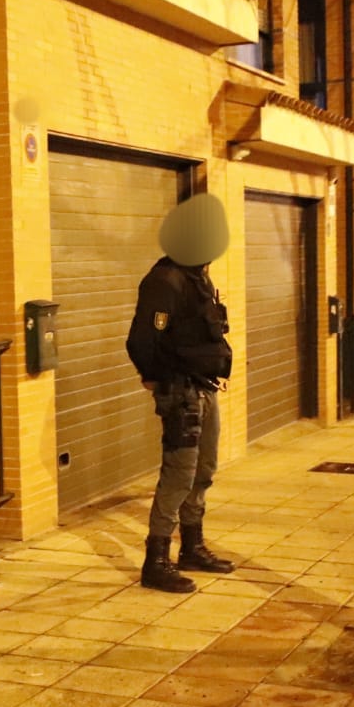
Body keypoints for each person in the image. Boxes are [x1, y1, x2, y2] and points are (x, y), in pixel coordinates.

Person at [125, 192, 237, 594]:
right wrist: (155, 379)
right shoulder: (165, 279)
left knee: (204, 469)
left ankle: (192, 546)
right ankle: (156, 561)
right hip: (180, 391)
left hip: (204, 387)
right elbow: (141, 340)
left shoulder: (197, 276)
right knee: (179, 473)